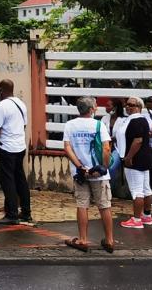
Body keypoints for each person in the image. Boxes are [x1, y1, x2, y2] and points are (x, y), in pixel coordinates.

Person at [61, 96, 115, 253]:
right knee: (104, 206)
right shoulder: (99, 125)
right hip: (99, 173)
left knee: (82, 205)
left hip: (81, 173)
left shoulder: (70, 125)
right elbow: (106, 148)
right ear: (92, 109)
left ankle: (83, 239)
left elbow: (67, 147)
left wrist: (79, 166)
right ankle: (109, 240)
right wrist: (104, 167)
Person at [0, 79, 32, 225]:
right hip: (20, 147)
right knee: (20, 180)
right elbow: (24, 125)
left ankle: (12, 214)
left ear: (1, 90)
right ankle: (26, 213)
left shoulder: (1, 106)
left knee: (8, 181)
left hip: (6, 148)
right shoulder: (21, 104)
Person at [120, 97, 152, 229]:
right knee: (146, 189)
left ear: (139, 106)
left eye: (131, 105)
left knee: (137, 191)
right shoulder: (141, 120)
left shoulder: (136, 121)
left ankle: (136, 219)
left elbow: (138, 140)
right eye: (127, 104)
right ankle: (147, 216)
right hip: (144, 158)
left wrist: (129, 157)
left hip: (136, 159)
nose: (128, 107)